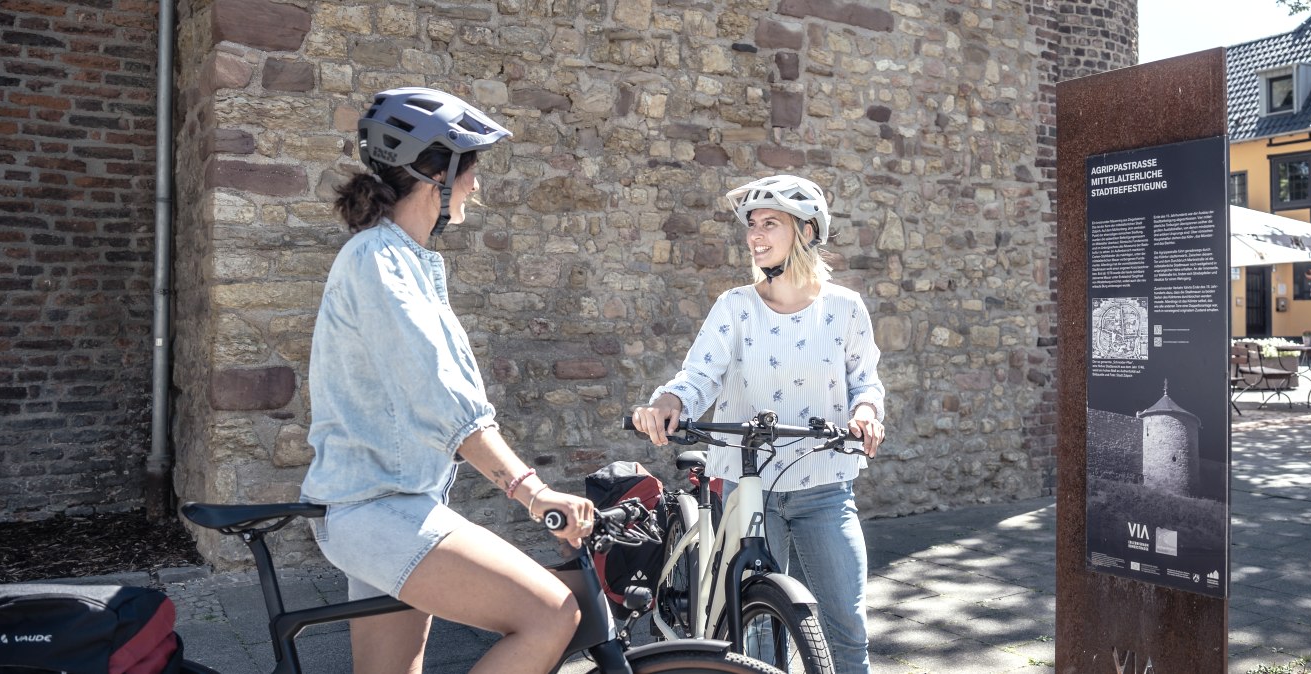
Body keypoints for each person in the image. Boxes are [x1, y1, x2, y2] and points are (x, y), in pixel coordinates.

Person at [299, 87, 596, 674]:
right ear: (436, 174)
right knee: (552, 615)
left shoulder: (400, 259)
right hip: (379, 509)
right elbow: (442, 398)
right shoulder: (378, 262)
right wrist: (532, 493)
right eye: (471, 172)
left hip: (385, 504)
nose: (476, 188)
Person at [631, 174, 886, 674]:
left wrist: (866, 413)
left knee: (847, 626)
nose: (755, 235)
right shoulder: (735, 306)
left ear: (808, 232)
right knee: (757, 631)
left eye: (770, 223)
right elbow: (699, 374)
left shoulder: (845, 308)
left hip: (825, 487)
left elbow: (865, 382)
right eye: (752, 224)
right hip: (748, 487)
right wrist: (669, 399)